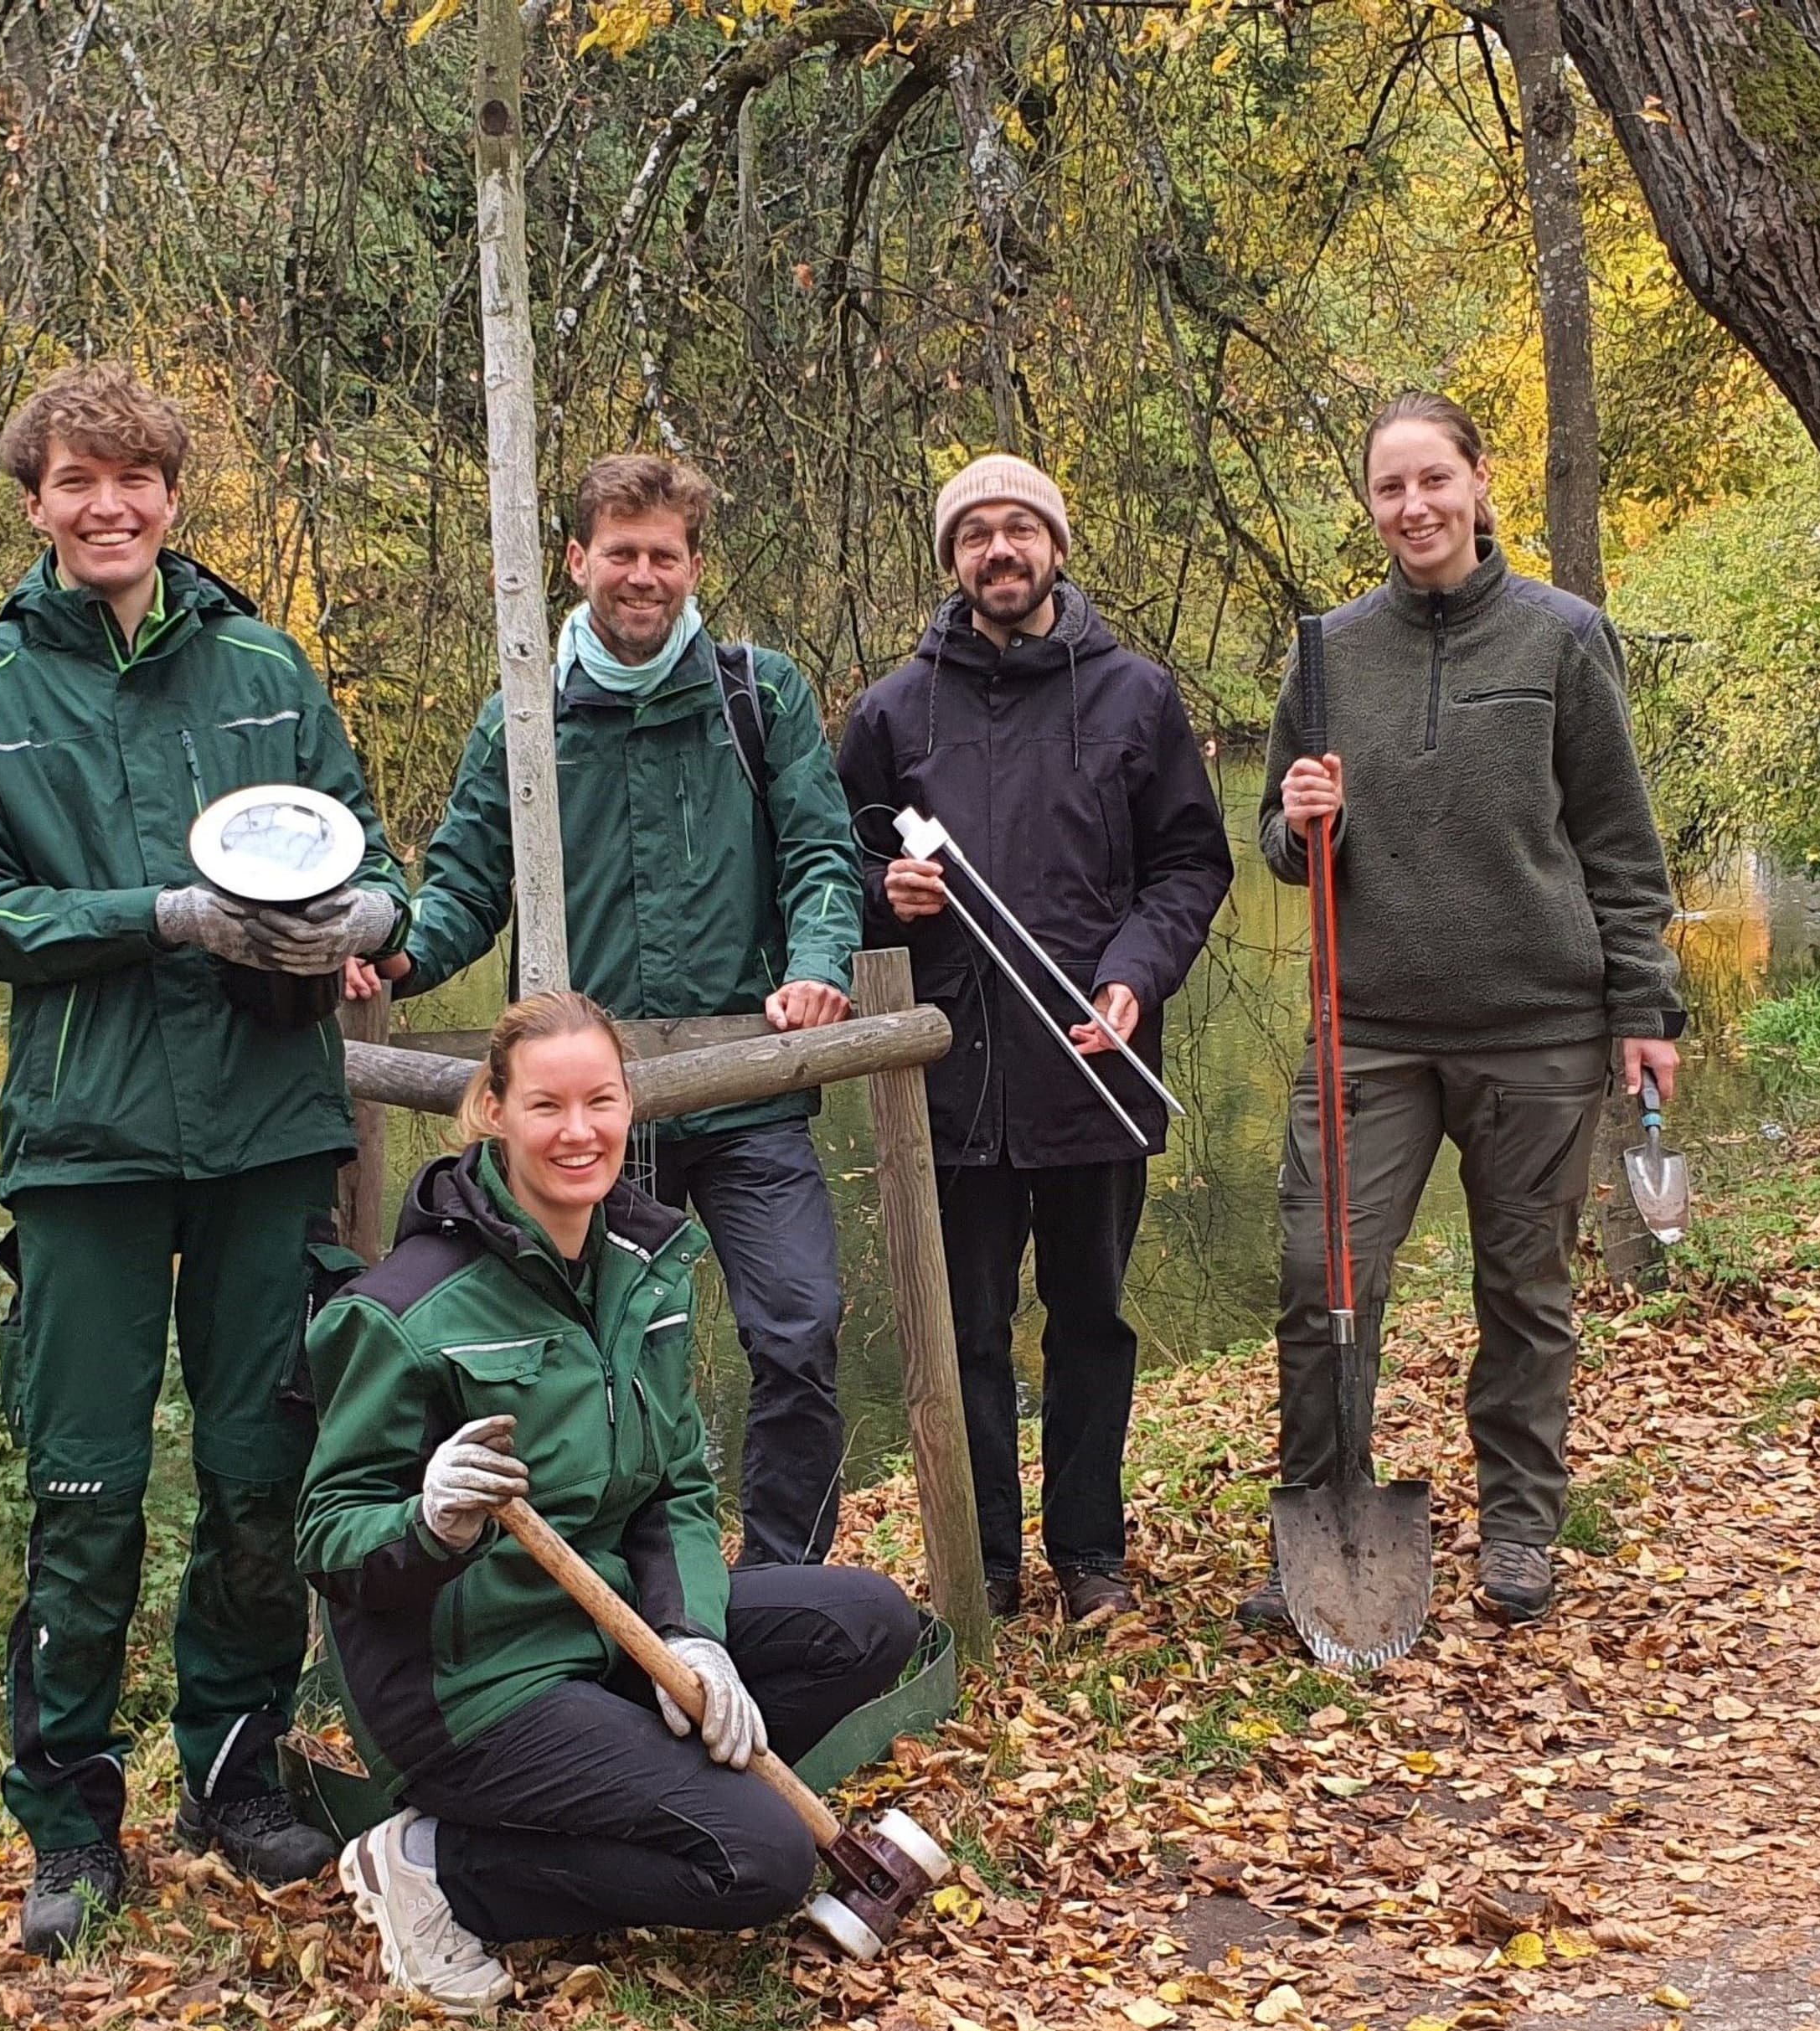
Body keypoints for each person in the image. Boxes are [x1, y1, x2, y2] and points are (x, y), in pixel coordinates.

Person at [0, 363, 409, 1956]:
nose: (108, 506)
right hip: (88, 1148)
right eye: (76, 481)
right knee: (87, 1493)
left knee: (265, 1470)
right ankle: (70, 1824)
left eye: (134, 478)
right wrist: (161, 918)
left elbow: (369, 859)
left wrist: (368, 925)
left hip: (271, 1133)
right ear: (36, 499)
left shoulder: (266, 665)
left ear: (174, 494)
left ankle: (241, 1770)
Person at [299, 995, 922, 2013]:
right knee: (759, 1864)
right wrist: (432, 1520)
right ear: (490, 1109)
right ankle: (438, 1863)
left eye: (602, 1100)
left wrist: (696, 1639)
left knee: (869, 1621)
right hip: (470, 1682)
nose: (578, 1130)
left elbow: (675, 1482)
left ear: (632, 1105)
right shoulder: (404, 1308)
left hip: (606, 1628)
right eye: (546, 1103)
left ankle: (629, 1789)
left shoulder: (645, 1267)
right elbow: (328, 1537)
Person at [358, 455, 865, 1567]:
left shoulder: (757, 694)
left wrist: (819, 962)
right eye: (621, 552)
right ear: (579, 559)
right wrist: (398, 959)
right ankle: (615, 1602)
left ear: (694, 565)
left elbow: (824, 854)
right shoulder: (523, 715)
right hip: (584, 1114)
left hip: (744, 1088)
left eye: (665, 555)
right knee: (604, 1362)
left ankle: (784, 1583)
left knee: (798, 1328)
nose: (644, 575)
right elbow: (464, 886)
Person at [1247, 392, 1683, 1632]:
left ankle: (1519, 1524)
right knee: (1318, 1272)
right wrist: (1301, 823)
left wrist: (1644, 1004)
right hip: (1371, 1024)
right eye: (1391, 487)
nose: (1415, 507)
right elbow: (1282, 842)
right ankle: (1327, 1516)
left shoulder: (1562, 637)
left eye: (1435, 479)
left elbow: (1617, 835)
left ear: (1480, 482)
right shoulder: (1328, 650)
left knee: (1524, 1286)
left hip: (1538, 1024)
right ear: (1370, 504)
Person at [839, 454, 1232, 1626]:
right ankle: (986, 1561)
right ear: (954, 558)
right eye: (976, 536)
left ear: (1056, 546)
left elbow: (1189, 864)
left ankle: (1090, 1552)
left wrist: (1133, 978)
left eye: (1020, 530)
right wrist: (883, 890)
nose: (998, 552)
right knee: (962, 1334)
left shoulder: (1136, 698)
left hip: (1093, 1070)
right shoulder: (891, 710)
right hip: (948, 1080)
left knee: (1092, 1320)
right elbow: (825, 864)